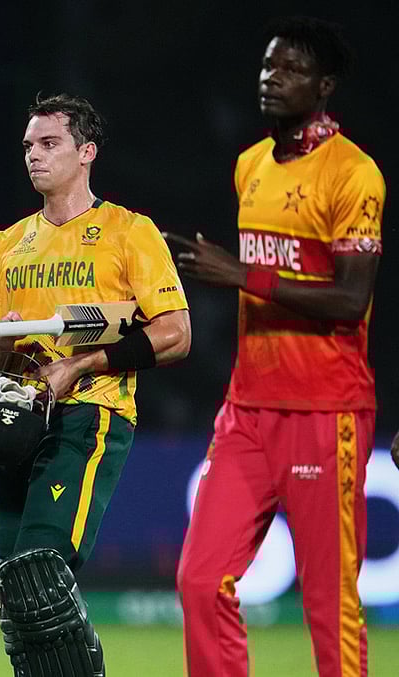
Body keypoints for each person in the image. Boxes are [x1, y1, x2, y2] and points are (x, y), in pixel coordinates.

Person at [166, 16, 384, 677]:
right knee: (200, 581)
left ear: (323, 85)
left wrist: (243, 275)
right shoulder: (249, 166)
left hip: (326, 414)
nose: (270, 77)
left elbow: (349, 301)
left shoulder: (355, 175)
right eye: (266, 65)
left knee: (328, 601)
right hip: (247, 413)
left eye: (288, 69)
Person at [0, 93, 191, 676]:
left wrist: (81, 366)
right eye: (27, 146)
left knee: (42, 568)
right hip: (15, 421)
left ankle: (84, 665)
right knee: (18, 595)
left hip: (88, 416)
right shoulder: (4, 246)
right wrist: (0, 344)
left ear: (86, 152)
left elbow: (174, 333)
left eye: (49, 144)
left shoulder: (129, 231)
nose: (34, 156)